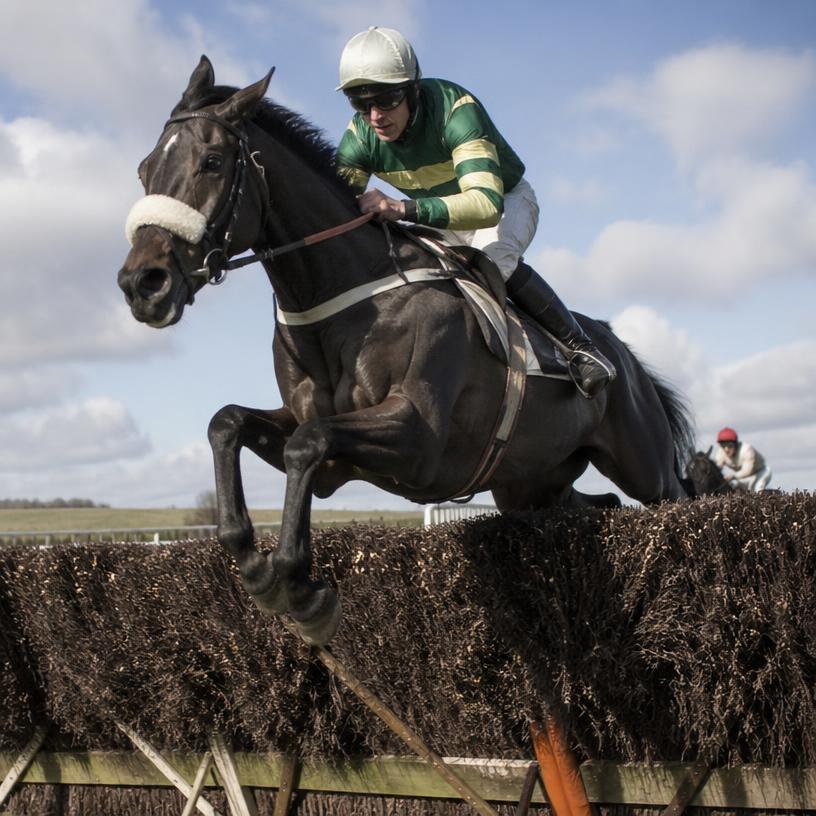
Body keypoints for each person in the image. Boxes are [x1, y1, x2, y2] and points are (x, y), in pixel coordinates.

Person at [334, 26, 616, 399]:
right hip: (440, 220)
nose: (374, 116)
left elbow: (484, 204)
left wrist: (401, 207)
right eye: (359, 102)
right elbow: (334, 207)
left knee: (489, 261)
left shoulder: (455, 109)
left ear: (412, 89)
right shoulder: (361, 135)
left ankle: (581, 349)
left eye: (386, 100)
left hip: (503, 203)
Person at [713, 427, 773, 492]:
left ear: (735, 444)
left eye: (730, 446)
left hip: (761, 473)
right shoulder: (721, 452)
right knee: (731, 487)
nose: (726, 449)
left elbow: (747, 471)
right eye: (723, 446)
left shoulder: (746, 450)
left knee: (758, 487)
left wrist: (732, 476)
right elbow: (717, 468)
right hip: (743, 477)